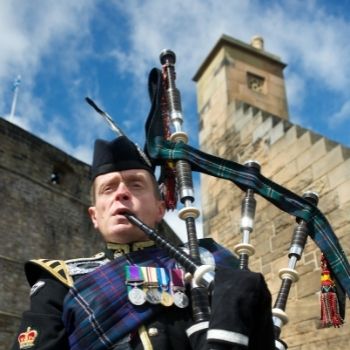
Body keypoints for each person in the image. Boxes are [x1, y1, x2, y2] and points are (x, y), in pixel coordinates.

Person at [12, 134, 275, 350]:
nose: (122, 193)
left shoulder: (209, 262)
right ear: (94, 215)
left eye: (136, 185)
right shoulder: (59, 283)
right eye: (108, 188)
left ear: (161, 209)